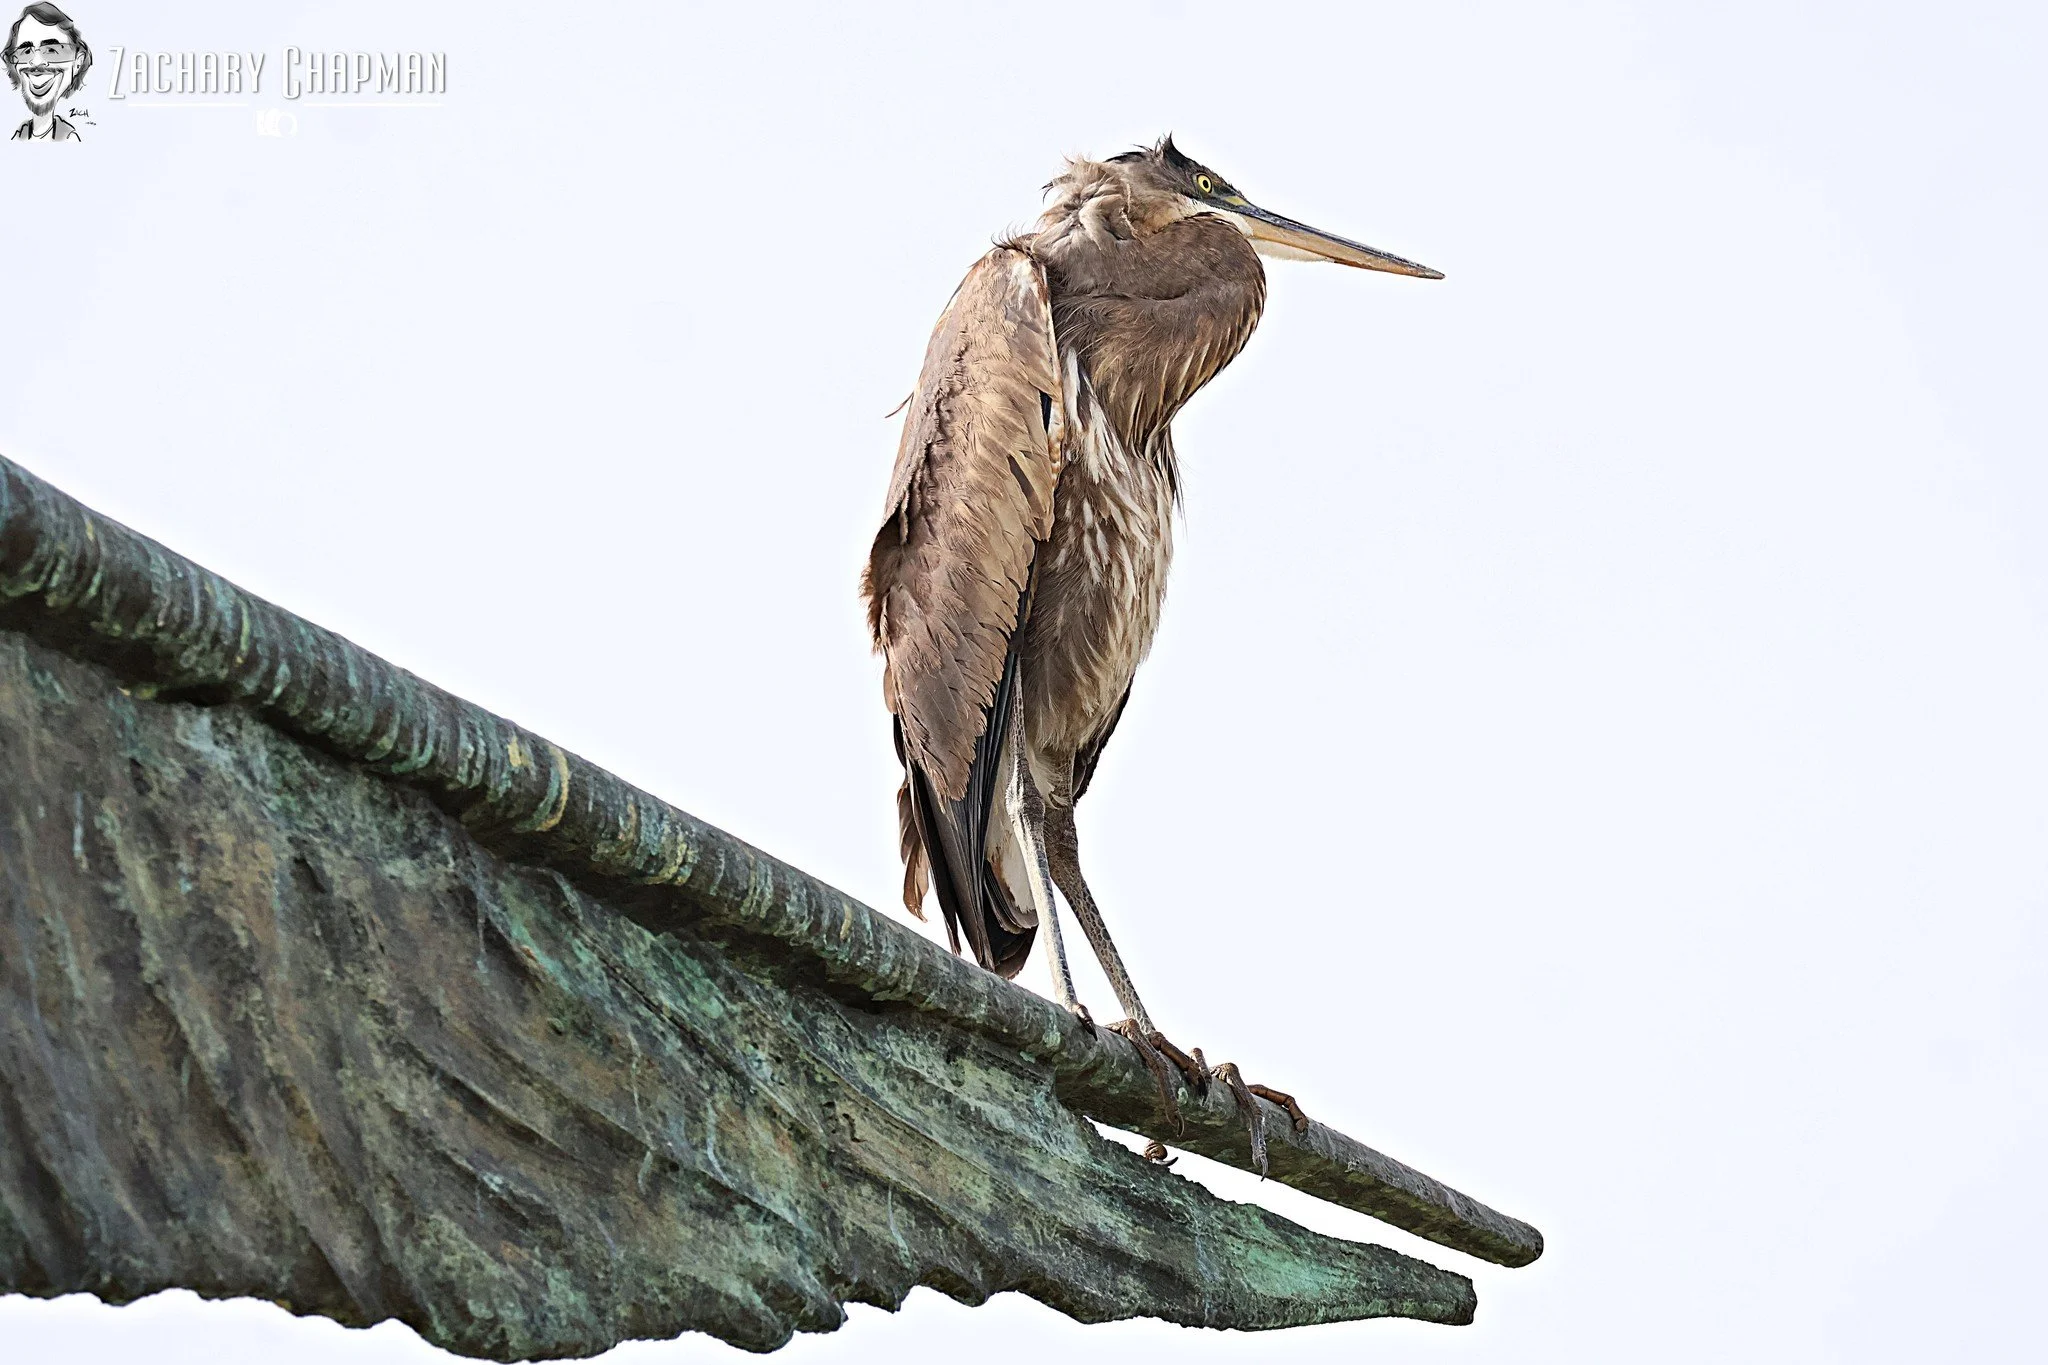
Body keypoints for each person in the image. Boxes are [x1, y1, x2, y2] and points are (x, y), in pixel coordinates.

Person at [5, 3, 91, 142]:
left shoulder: (70, 140)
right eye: (26, 51)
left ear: (77, 62)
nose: (36, 61)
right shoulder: (16, 137)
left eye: (52, 50)